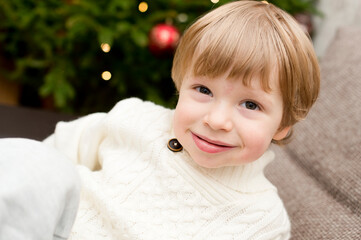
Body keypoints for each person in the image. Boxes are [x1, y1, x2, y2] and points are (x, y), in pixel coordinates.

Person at [0, 1, 320, 239]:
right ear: (181, 84)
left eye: (250, 104)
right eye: (203, 89)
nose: (217, 119)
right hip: (45, 227)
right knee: (32, 159)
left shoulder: (262, 220)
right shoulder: (137, 119)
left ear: (282, 125)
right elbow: (55, 155)